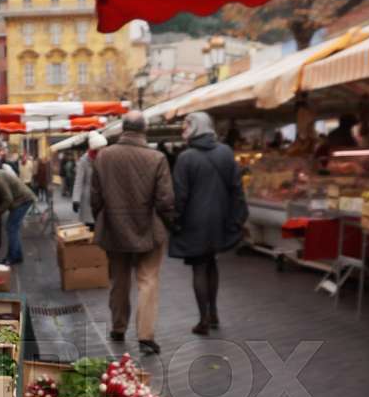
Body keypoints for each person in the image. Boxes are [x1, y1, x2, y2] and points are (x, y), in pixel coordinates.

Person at [90, 110, 175, 353]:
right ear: (144, 130)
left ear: (122, 128)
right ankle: (146, 336)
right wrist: (169, 224)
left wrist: (101, 219)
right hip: (149, 229)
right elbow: (165, 200)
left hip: (114, 228)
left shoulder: (103, 157)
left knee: (119, 280)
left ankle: (118, 327)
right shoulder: (156, 158)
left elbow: (95, 197)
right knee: (148, 281)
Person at [169, 109, 248, 335]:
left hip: (195, 221)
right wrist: (238, 217)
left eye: (186, 126)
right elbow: (236, 188)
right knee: (211, 262)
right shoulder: (225, 151)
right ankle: (213, 313)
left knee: (199, 267)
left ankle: (203, 319)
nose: (183, 130)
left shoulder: (186, 157)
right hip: (219, 220)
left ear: (195, 127)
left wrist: (175, 220)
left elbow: (180, 195)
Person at [72, 131, 107, 227]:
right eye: (100, 148)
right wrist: (76, 199)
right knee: (91, 226)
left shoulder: (107, 157)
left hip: (104, 197)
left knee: (104, 227)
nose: (102, 150)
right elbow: (78, 181)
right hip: (88, 198)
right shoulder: (84, 160)